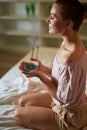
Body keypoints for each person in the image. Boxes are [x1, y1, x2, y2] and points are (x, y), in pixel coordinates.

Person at [13, 0, 87, 130]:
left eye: (52, 16)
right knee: (22, 102)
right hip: (66, 101)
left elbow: (61, 97)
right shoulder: (71, 42)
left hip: (70, 116)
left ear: (68, 24)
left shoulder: (70, 56)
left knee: (18, 114)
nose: (48, 20)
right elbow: (63, 78)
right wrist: (42, 68)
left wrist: (39, 76)